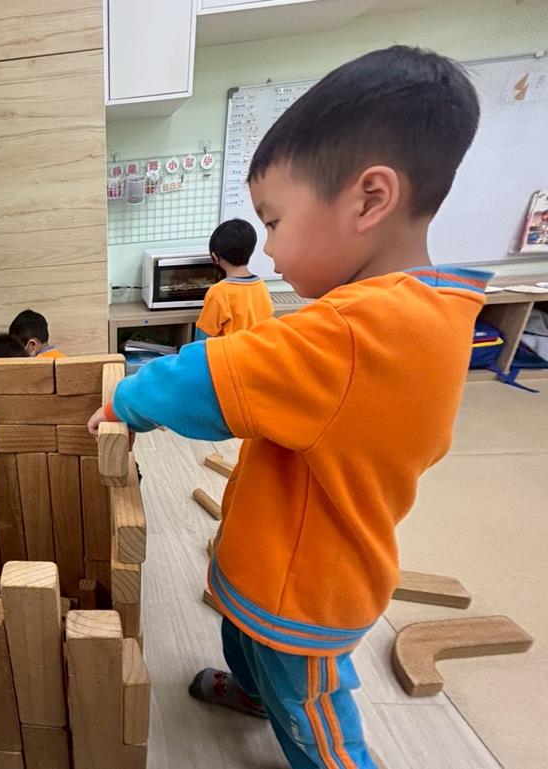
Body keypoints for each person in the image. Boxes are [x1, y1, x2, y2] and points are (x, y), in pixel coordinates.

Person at [88, 46, 487, 769]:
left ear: (369, 199)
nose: (268, 250)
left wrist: (126, 398)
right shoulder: (429, 309)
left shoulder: (354, 331)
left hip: (300, 589)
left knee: (312, 716)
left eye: (273, 222)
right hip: (278, 555)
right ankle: (253, 693)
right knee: (244, 642)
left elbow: (211, 378)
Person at [195, 218, 274, 340]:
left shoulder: (219, 292)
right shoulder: (262, 286)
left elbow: (202, 338)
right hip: (256, 350)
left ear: (215, 257)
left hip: (229, 351)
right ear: (252, 251)